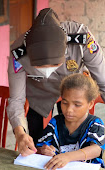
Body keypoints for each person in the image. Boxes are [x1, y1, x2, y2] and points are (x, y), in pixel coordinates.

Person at [7, 8, 105, 156]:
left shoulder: (81, 39)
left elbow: (103, 82)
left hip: (73, 92)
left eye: (54, 65)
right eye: (41, 67)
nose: (48, 70)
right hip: (39, 94)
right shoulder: (19, 53)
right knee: (36, 142)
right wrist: (20, 134)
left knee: (77, 139)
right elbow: (16, 100)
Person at [36, 73, 105, 169]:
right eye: (64, 103)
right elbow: (40, 147)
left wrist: (68, 157)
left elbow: (96, 149)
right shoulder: (55, 122)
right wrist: (44, 150)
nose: (69, 110)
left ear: (90, 104)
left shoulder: (95, 124)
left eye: (77, 105)